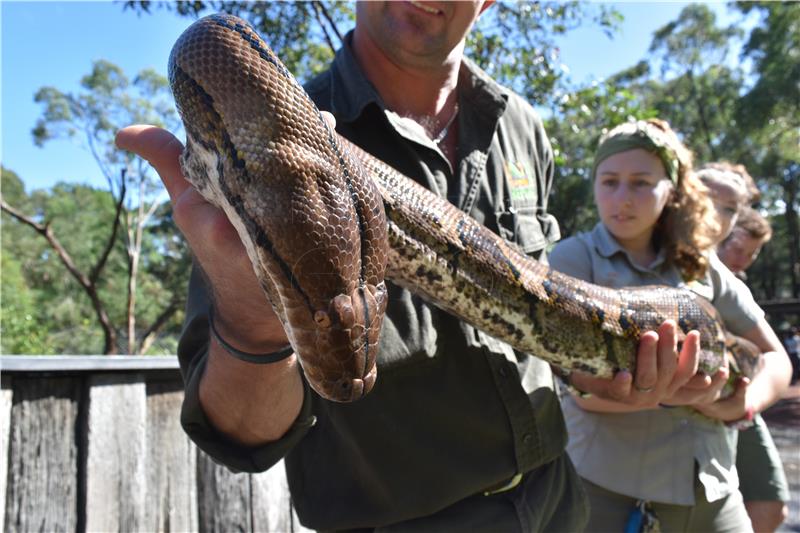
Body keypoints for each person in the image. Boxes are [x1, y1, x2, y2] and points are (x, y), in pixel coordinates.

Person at [116, 4, 711, 531]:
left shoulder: (521, 126)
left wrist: (593, 374)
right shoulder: (255, 152)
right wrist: (255, 310)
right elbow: (240, 435)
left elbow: (538, 313)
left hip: (557, 504)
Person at [549, 119, 793, 532]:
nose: (622, 198)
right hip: (608, 494)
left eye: (641, 182)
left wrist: (741, 403)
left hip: (714, 491)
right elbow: (579, 388)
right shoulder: (573, 259)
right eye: (609, 181)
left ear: (673, 191)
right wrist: (686, 395)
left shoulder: (702, 264)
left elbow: (776, 358)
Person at [714, 206, 790, 533]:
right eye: (739, 249)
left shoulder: (737, 287)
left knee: (770, 506)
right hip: (695, 404)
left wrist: (745, 405)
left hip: (741, 403)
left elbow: (772, 356)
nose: (744, 259)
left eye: (753, 253)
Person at [717, 206, 772, 280]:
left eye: (751, 254)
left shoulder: (738, 283)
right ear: (720, 240)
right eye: (738, 250)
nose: (742, 260)